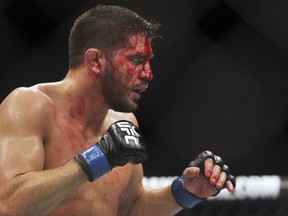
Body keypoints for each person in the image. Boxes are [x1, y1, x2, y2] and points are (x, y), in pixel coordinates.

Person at [0, 4, 236, 216]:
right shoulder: (31, 105)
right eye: (136, 60)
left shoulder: (123, 122)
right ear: (95, 61)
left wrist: (185, 192)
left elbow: (132, 208)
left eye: (148, 62)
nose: (148, 74)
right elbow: (8, 205)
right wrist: (97, 159)